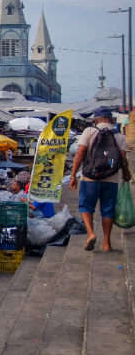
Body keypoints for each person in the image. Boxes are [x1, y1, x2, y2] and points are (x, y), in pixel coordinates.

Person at [70, 107, 130, 251]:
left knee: (86, 206)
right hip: (111, 179)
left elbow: (80, 153)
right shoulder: (119, 135)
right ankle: (107, 243)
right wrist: (126, 173)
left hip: (89, 177)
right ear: (112, 120)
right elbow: (123, 158)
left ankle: (90, 234)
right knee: (108, 210)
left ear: (95, 120)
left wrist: (73, 175)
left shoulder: (90, 131)